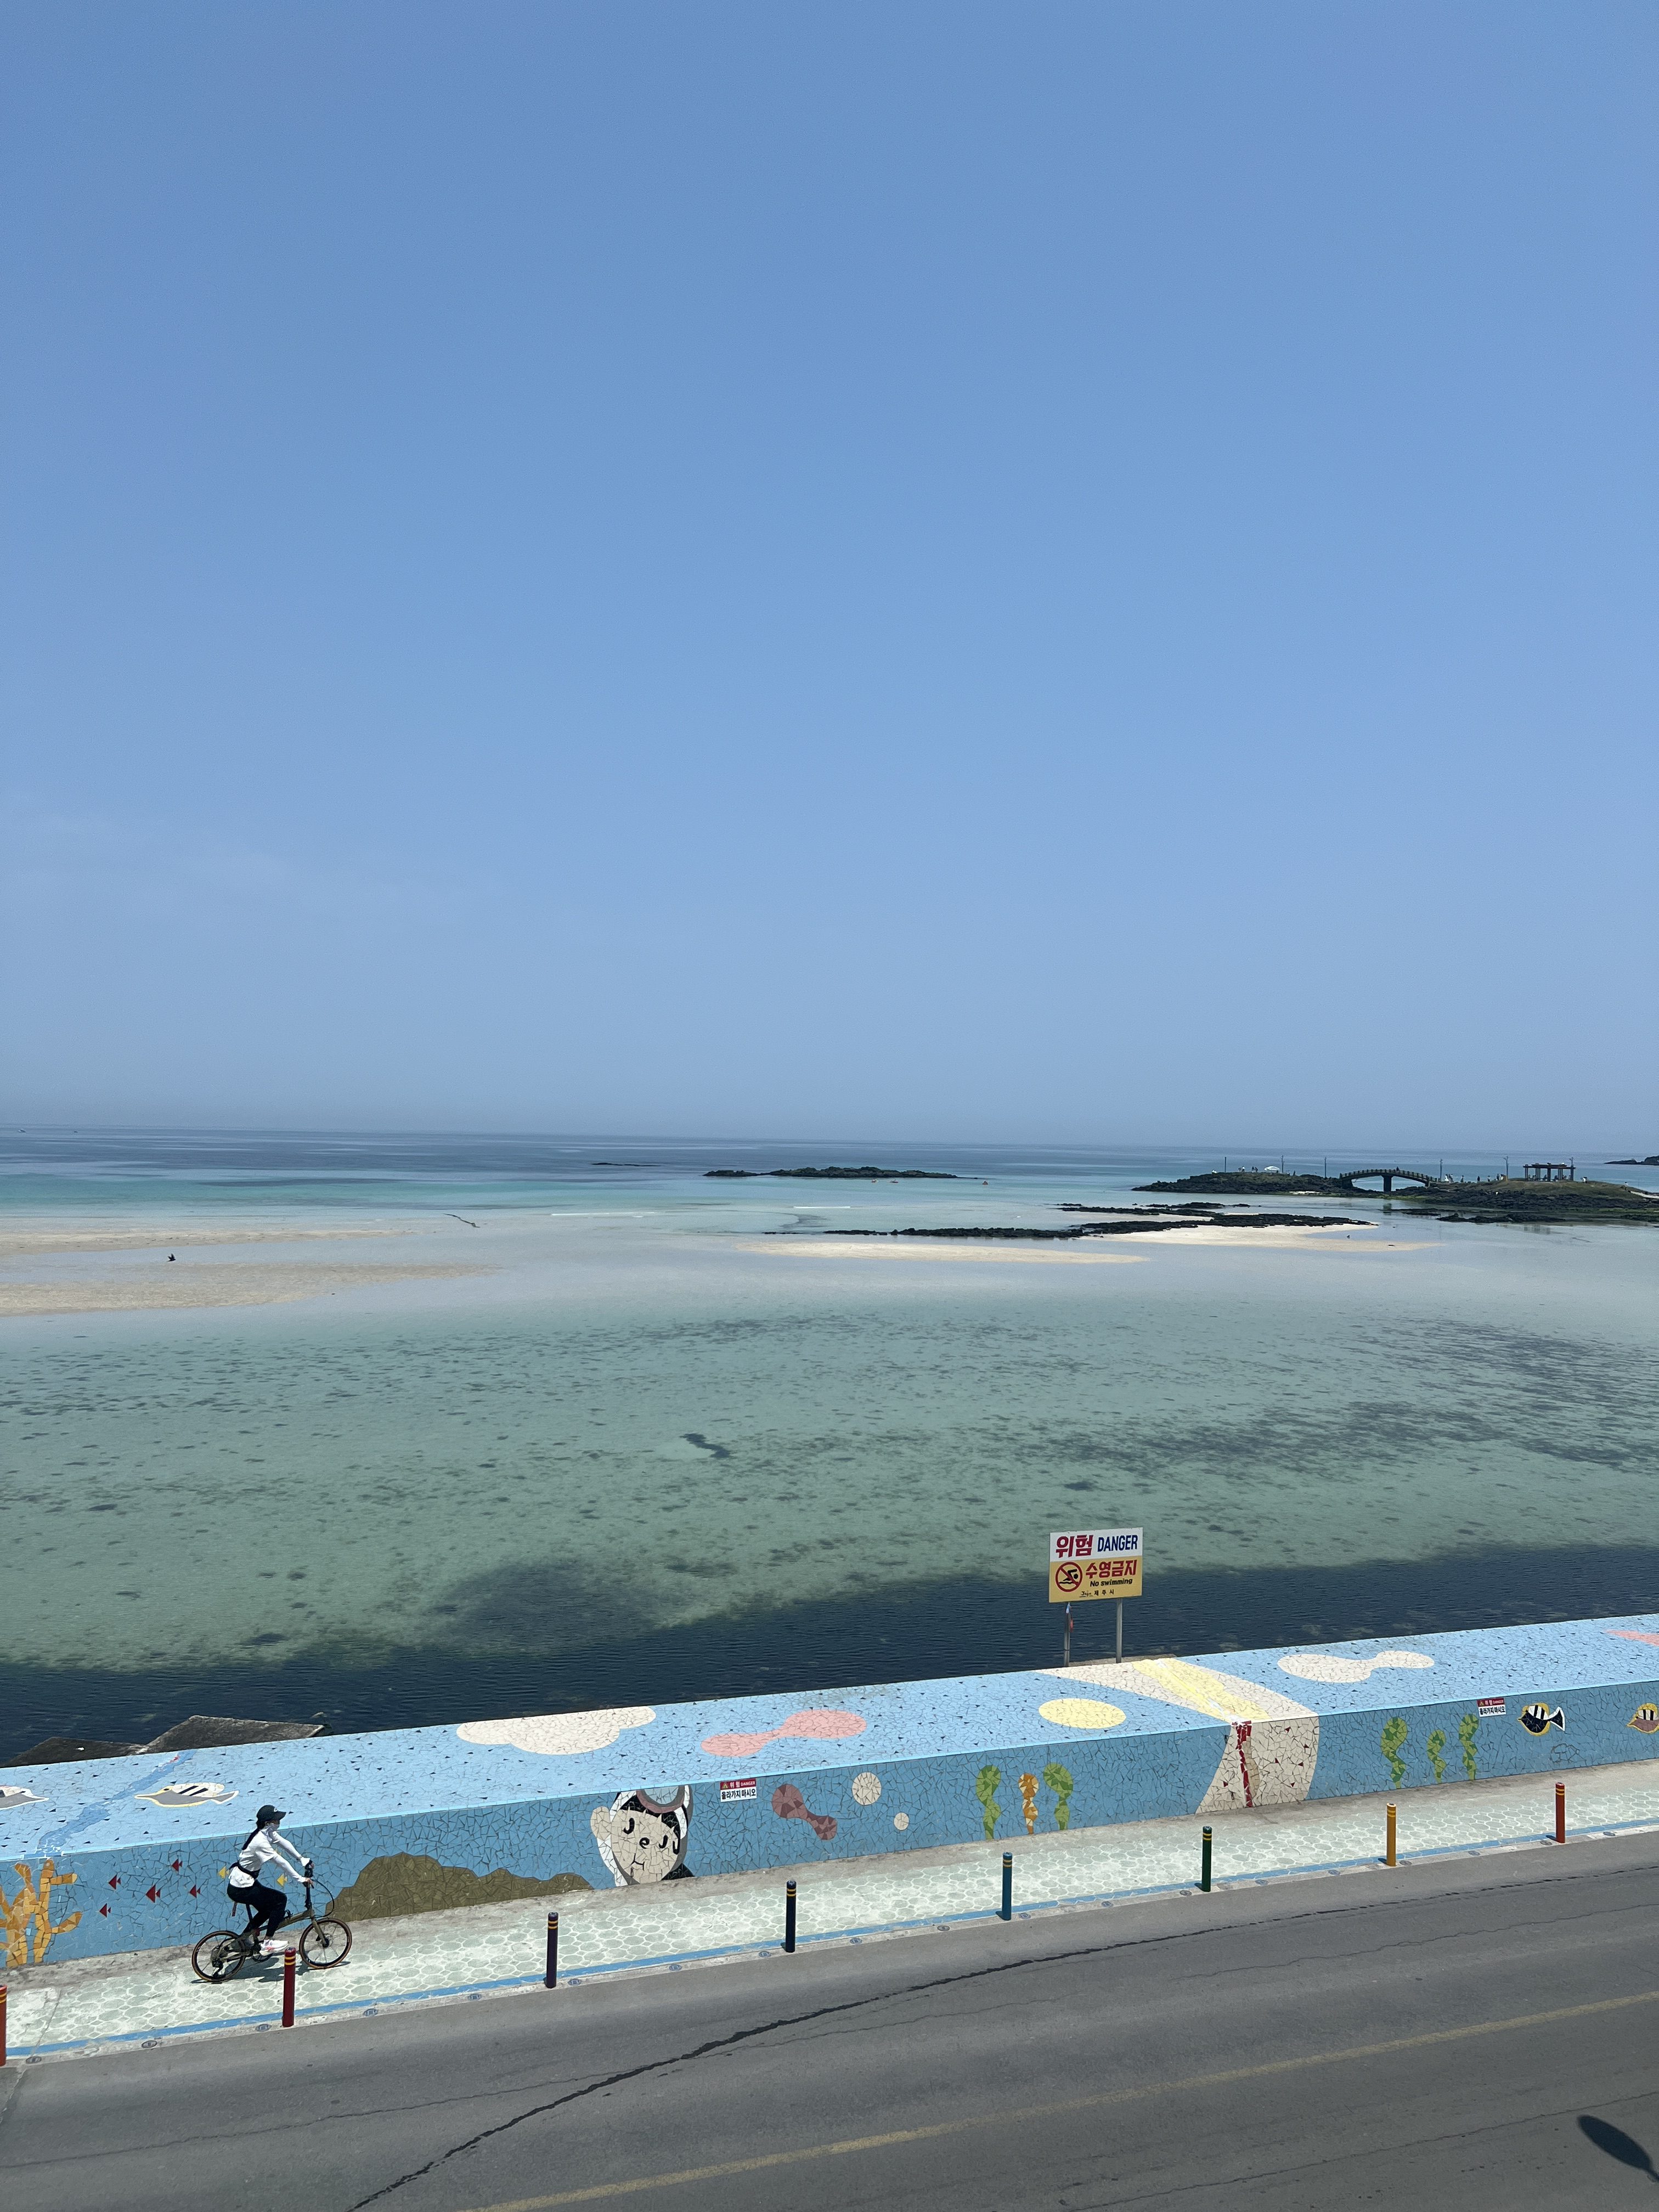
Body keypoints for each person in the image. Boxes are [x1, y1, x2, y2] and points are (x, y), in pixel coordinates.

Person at [227, 1804, 312, 1955]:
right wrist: (300, 1879)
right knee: (279, 1900)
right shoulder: (260, 1841)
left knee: (267, 1909)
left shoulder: (267, 1832)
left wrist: (302, 1859)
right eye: (276, 1820)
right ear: (268, 1823)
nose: (279, 1822)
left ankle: (242, 1940)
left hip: (244, 1883)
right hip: (241, 1888)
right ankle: (268, 1942)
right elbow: (280, 1861)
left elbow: (284, 1843)